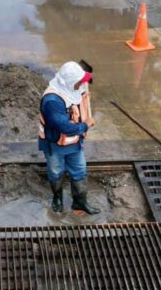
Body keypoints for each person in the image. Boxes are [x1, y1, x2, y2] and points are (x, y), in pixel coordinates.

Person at [38, 61, 99, 215]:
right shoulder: (52, 101)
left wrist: (85, 84)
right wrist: (85, 125)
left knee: (79, 171)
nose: (82, 84)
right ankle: (57, 198)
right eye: (80, 82)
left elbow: (85, 81)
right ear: (71, 83)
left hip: (75, 144)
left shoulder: (74, 88)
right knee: (55, 172)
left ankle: (79, 203)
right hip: (55, 145)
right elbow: (64, 127)